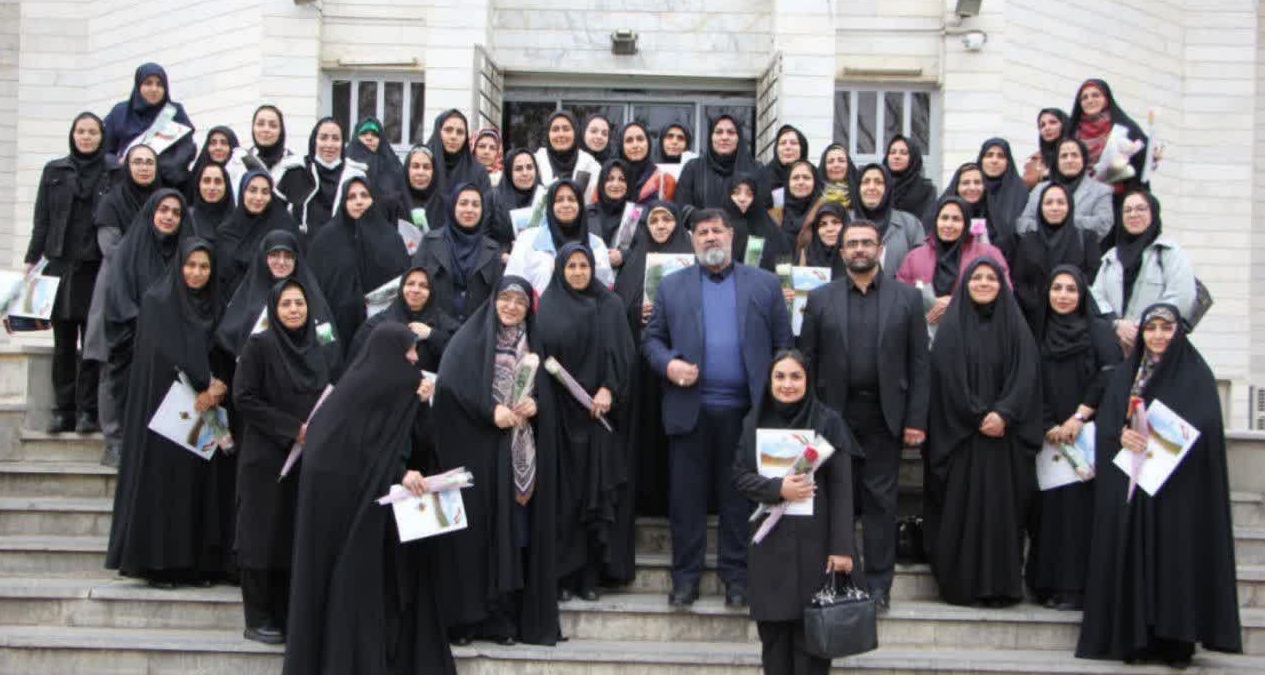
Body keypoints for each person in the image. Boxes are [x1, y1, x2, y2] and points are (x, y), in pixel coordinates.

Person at [1075, 304, 1242, 667]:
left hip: (1177, 492)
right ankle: (1136, 639)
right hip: (1134, 490)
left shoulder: (1195, 374)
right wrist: (1121, 435)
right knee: (1134, 559)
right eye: (1151, 328)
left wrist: (1164, 439)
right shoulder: (1127, 373)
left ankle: (1176, 641)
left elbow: (1206, 428)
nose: (1158, 336)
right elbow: (1108, 423)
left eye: (1166, 328)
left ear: (1178, 332)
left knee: (1174, 562)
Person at [642, 208, 793, 608]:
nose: (710, 237)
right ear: (693, 240)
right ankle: (685, 579)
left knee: (738, 499)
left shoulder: (764, 284)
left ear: (731, 236)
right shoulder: (671, 286)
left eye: (717, 230)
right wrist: (669, 364)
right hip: (689, 410)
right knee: (686, 500)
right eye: (702, 232)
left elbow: (784, 345)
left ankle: (737, 578)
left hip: (747, 413)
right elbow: (651, 341)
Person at [283, 323, 453, 675]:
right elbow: (360, 451)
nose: (415, 359)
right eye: (409, 351)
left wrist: (420, 405)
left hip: (386, 515)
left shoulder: (399, 391)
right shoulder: (362, 393)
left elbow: (418, 443)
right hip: (351, 515)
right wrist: (399, 473)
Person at [798, 219, 929, 610]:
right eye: (852, 243)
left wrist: (916, 419)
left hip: (885, 415)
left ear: (880, 250)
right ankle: (838, 579)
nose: (859, 249)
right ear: (841, 252)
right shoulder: (820, 299)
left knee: (881, 502)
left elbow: (919, 364)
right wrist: (808, 418)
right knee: (835, 499)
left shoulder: (907, 299)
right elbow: (807, 362)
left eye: (866, 243)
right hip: (833, 416)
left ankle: (878, 585)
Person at [432, 276, 558, 646]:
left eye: (520, 302)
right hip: (477, 456)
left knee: (513, 536)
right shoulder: (467, 342)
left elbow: (548, 395)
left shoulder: (534, 344)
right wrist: (490, 411)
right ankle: (468, 620)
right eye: (505, 299)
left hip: (518, 456)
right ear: (493, 301)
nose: (512, 307)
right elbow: (450, 389)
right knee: (474, 538)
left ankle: (503, 620)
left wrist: (536, 404)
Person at [105, 238, 230, 587]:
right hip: (167, 413)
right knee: (166, 489)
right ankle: (160, 565)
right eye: (190, 265)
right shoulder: (158, 301)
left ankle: (195, 565)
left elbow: (222, 350)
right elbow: (160, 355)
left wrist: (217, 387)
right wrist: (202, 383)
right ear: (178, 266)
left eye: (204, 267)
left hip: (204, 414)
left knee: (198, 489)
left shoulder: (215, 305)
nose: (196, 273)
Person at [733, 350, 859, 675]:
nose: (787, 384)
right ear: (769, 381)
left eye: (795, 376)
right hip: (770, 551)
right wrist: (778, 489)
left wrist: (842, 548)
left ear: (808, 380)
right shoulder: (754, 421)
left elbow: (843, 489)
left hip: (816, 550)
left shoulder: (828, 422)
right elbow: (740, 477)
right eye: (779, 376)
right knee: (774, 645)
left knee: (813, 647)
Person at [925, 257, 1042, 607]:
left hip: (1004, 440)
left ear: (1001, 284)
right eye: (976, 278)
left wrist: (1004, 413)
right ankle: (961, 586)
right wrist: (977, 415)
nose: (984, 283)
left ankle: (1000, 587)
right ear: (965, 284)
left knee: (1001, 515)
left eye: (991, 278)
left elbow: (1026, 374)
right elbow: (946, 377)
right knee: (961, 513)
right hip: (963, 438)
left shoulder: (1017, 328)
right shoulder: (952, 328)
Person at [233, 278, 343, 644]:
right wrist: (291, 429)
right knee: (262, 534)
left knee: (291, 535)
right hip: (266, 457)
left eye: (299, 303)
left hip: (306, 458)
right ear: (274, 310)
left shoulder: (317, 347)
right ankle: (257, 616)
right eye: (286, 304)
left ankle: (286, 614)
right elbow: (245, 398)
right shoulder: (259, 346)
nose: (294, 310)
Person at [536, 243, 635, 596]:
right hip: (559, 419)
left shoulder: (610, 305)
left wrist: (609, 389)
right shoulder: (547, 306)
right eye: (571, 266)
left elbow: (623, 355)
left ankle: (591, 577)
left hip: (597, 417)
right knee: (563, 499)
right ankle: (563, 577)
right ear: (560, 269)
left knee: (594, 496)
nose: (578, 272)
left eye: (584, 265)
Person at [1024, 266, 1121, 612]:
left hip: (1085, 434)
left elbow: (1109, 375)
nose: (1063, 295)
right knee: (1049, 514)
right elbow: (1028, 377)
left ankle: (1077, 588)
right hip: (1048, 438)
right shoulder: (1036, 331)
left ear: (1082, 295)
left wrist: (1079, 417)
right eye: (1057, 288)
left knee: (1080, 514)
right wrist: (1048, 423)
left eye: (1071, 289)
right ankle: (1046, 585)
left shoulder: (1098, 332)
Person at [28, 112, 109, 434]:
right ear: (73, 135)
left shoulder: (113, 172)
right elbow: (42, 219)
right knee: (63, 343)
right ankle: (63, 411)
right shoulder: (54, 170)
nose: (86, 137)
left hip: (94, 268)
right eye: (81, 131)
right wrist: (31, 260)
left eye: (93, 132)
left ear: (102, 136)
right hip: (60, 268)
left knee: (91, 344)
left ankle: (88, 411)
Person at [613, 201, 693, 517]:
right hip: (643, 367)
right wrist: (636, 311)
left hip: (680, 362)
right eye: (655, 220)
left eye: (667, 219)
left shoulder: (691, 260)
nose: (660, 225)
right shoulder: (635, 260)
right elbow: (618, 307)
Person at [101, 189, 192, 466]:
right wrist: (147, 327)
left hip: (175, 347)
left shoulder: (186, 254)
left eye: (176, 212)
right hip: (135, 342)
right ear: (151, 212)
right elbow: (119, 296)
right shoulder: (129, 249)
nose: (169, 217)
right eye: (163, 210)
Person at [85, 144, 161, 465]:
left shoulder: (163, 202)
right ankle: (113, 439)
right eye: (137, 161)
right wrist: (149, 261)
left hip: (153, 294)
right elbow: (111, 249)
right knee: (111, 366)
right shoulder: (112, 201)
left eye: (149, 162)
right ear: (127, 166)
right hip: (116, 291)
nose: (143, 167)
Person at [1089, 191, 1197, 355]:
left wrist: (1143, 327)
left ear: (1153, 213)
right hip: (1116, 348)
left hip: (1157, 347)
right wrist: (1117, 324)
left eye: (1141, 209)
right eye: (1127, 210)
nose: (1133, 214)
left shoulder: (1170, 253)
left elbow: (1181, 297)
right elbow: (1096, 297)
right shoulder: (1111, 257)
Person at [308, 178, 410, 350]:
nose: (359, 201)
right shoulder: (326, 239)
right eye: (351, 197)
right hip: (338, 329)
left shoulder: (390, 238)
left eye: (364, 195)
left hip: (381, 328)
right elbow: (314, 286)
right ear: (343, 202)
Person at [215, 230, 335, 359]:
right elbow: (228, 338)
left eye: (288, 256)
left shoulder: (310, 297)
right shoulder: (249, 295)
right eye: (274, 255)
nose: (281, 262)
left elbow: (327, 342)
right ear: (263, 258)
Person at [896, 197, 1011, 332]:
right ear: (936, 221)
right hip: (925, 333)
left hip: (974, 330)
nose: (949, 225)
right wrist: (929, 304)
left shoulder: (988, 254)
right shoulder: (915, 257)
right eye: (944, 218)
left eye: (956, 219)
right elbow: (900, 297)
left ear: (966, 223)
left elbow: (1004, 292)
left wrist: (957, 303)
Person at [1011, 184, 1100, 331]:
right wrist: (1038, 305)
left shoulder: (1085, 239)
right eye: (1048, 203)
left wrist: (1066, 298)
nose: (1054, 208)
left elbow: (1092, 277)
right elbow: (1019, 281)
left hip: (1076, 324)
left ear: (1069, 206)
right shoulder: (1028, 241)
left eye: (1061, 202)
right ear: (1040, 208)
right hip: (1035, 323)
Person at [412, 183, 504, 324]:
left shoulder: (491, 249)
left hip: (475, 330)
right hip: (433, 327)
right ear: (452, 206)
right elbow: (415, 286)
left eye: (475, 205)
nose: (469, 209)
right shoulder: (430, 242)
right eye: (463, 203)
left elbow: (496, 296)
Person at [505, 179, 614, 295]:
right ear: (550, 205)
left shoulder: (596, 245)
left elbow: (606, 287)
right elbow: (513, 283)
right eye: (559, 200)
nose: (566, 205)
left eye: (571, 199)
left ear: (580, 205)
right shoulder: (528, 240)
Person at [101, 63, 196, 188]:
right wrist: (120, 163)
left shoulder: (174, 112)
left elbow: (186, 148)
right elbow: (103, 150)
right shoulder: (120, 112)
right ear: (138, 85)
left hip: (166, 184)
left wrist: (157, 167)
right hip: (126, 184)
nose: (154, 89)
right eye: (148, 83)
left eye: (159, 84)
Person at [214, 170, 302, 302]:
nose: (258, 197)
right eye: (252, 190)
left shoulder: (284, 226)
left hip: (277, 301)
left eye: (265, 192)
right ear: (242, 192)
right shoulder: (227, 231)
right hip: (234, 303)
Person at [274, 117, 368, 235]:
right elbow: (276, 213)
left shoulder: (354, 177)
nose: (329, 144)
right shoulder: (296, 172)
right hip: (302, 245)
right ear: (314, 140)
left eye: (335, 139)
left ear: (343, 143)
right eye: (323, 138)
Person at [349, 265, 460, 365]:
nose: (416, 290)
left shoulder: (442, 321)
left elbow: (460, 352)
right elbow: (357, 363)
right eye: (410, 284)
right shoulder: (377, 324)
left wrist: (431, 335)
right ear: (402, 287)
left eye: (423, 286)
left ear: (431, 292)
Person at [1016, 137, 1114, 241]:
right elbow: (1022, 224)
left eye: (1074, 155)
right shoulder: (1040, 189)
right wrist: (1046, 227)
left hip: (1080, 249)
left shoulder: (1101, 191)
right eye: (1064, 156)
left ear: (1083, 159)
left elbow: (1102, 224)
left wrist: (1062, 220)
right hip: (1042, 248)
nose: (1069, 160)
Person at [1069, 79, 1150, 192]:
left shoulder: (1124, 127)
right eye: (1084, 98)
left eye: (1095, 95)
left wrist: (1152, 155)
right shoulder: (1071, 131)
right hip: (1080, 195)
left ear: (1106, 99)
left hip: (1118, 195)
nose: (1090, 100)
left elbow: (1144, 156)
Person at [927, 162, 1017, 263]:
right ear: (957, 186)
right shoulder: (940, 217)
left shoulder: (996, 220)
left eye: (977, 183)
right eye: (965, 183)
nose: (972, 187)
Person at [674, 115, 765, 212]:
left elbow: (763, 208)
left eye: (731, 132)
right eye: (719, 132)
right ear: (711, 137)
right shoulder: (693, 168)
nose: (724, 137)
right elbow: (682, 207)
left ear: (739, 138)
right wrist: (703, 217)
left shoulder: (756, 169)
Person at [849, 163, 924, 276]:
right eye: (866, 182)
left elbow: (921, 267)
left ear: (888, 188)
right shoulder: (844, 221)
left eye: (878, 182)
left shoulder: (910, 224)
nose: (871, 187)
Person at [724, 173, 788, 272]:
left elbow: (785, 273)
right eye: (736, 193)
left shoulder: (771, 230)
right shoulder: (718, 229)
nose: (742, 199)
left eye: (749, 194)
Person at [425, 109, 492, 202]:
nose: (454, 136)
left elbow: (486, 206)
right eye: (448, 130)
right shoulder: (422, 165)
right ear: (438, 132)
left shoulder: (478, 173)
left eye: (460, 132)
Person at [534, 110, 602, 202]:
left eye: (566, 129)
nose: (561, 134)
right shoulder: (535, 162)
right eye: (555, 129)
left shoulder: (591, 165)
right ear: (548, 134)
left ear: (575, 132)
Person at [487, 148, 542, 252]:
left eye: (529, 167)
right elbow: (483, 237)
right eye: (518, 169)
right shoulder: (493, 199)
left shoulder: (544, 197)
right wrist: (501, 255)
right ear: (509, 172)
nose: (525, 173)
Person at [346, 117, 407, 209]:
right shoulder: (347, 164)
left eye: (374, 134)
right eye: (364, 134)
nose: (369, 138)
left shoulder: (392, 166)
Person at [389, 145, 445, 236]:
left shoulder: (444, 205)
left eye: (426, 167)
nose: (420, 173)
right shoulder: (392, 205)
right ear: (407, 169)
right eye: (415, 166)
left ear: (434, 172)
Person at [618, 121, 675, 204]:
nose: (635, 145)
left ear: (648, 143)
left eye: (640, 139)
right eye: (629, 140)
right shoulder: (610, 180)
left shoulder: (665, 181)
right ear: (621, 146)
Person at [884, 135, 937, 223]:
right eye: (892, 152)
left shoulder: (926, 189)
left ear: (913, 157)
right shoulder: (880, 185)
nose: (896, 156)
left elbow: (928, 222)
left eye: (903, 153)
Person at [184, 126, 239, 204]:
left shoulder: (241, 175)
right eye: (213, 143)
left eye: (224, 143)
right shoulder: (196, 177)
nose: (218, 148)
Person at [587, 158, 630, 248]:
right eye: (610, 179)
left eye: (622, 179)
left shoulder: (634, 214)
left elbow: (638, 248)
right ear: (602, 182)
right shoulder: (587, 212)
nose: (616, 184)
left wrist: (622, 254)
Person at [1021, 108, 1069, 188]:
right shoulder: (1035, 159)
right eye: (1042, 125)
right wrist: (1042, 175)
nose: (1047, 128)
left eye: (1052, 122)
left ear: (1064, 125)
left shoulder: (1078, 153)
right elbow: (1023, 185)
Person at [188, 162, 233, 244]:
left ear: (226, 186)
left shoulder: (237, 221)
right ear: (198, 184)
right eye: (206, 181)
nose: (212, 187)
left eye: (218, 181)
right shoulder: (187, 218)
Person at [775, 159, 821, 238]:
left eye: (806, 177)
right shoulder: (774, 213)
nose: (800, 182)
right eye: (795, 178)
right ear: (787, 182)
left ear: (815, 182)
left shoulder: (824, 211)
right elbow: (759, 238)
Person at [794, 202, 846, 270]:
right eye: (823, 224)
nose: (829, 229)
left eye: (835, 222)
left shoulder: (856, 254)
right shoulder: (806, 256)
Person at [763, 124, 809, 193]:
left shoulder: (813, 179)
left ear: (802, 149)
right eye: (783, 143)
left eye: (793, 143)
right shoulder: (762, 179)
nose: (787, 147)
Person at [247, 105, 290, 171]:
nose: (266, 129)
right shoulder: (240, 164)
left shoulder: (293, 165)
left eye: (273, 125)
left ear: (281, 130)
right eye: (260, 124)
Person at [818, 143, 857, 211]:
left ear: (848, 165)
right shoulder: (814, 196)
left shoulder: (859, 194)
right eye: (830, 161)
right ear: (824, 166)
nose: (836, 165)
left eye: (841, 161)